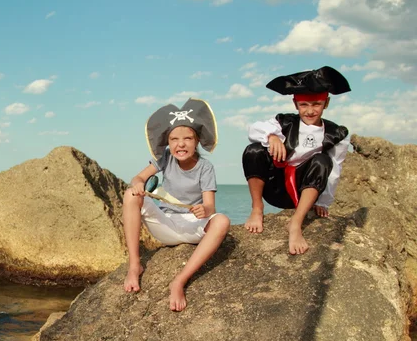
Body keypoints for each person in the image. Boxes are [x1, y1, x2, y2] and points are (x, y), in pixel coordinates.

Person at [122, 98, 230, 312]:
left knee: (222, 221)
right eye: (174, 139)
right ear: (168, 143)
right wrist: (138, 186)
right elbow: (138, 178)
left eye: (188, 138)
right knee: (129, 195)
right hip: (167, 225)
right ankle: (134, 265)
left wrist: (205, 210)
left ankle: (179, 281)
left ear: (197, 141)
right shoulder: (165, 158)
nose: (181, 144)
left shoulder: (205, 168)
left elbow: (210, 206)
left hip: (194, 227)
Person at [242, 66, 351, 255]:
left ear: (326, 103)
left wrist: (324, 202)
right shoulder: (284, 122)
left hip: (303, 192)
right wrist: (272, 136)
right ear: (295, 104)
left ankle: (296, 223)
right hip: (275, 187)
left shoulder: (337, 133)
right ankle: (257, 208)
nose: (310, 111)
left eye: (316, 104)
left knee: (323, 160)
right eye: (304, 105)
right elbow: (253, 129)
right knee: (254, 150)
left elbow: (334, 170)